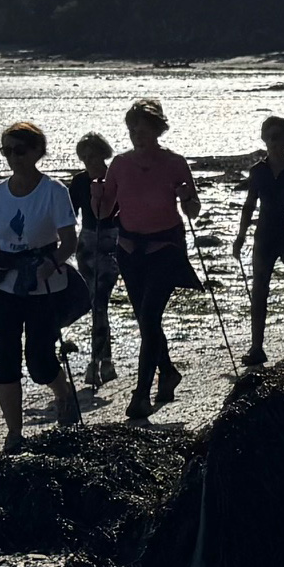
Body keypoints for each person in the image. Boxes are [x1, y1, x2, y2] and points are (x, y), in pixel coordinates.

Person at [0, 121, 82, 442]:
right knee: (4, 358)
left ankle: (63, 394)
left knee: (39, 362)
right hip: (1, 285)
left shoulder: (55, 192)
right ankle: (14, 432)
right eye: (6, 150)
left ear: (38, 151)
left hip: (43, 285)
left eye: (19, 150)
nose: (13, 157)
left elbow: (69, 241)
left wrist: (50, 264)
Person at [94, 97, 202, 422]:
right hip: (128, 250)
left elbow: (193, 211)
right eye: (131, 130)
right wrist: (96, 195)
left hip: (165, 249)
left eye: (141, 129)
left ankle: (141, 396)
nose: (135, 135)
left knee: (150, 316)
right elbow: (103, 213)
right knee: (146, 320)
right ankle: (167, 372)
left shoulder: (175, 163)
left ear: (156, 129)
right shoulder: (119, 164)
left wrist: (187, 196)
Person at [233, 115, 284, 364]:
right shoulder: (257, 171)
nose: (273, 142)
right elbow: (249, 206)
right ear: (264, 139)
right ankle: (256, 347)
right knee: (259, 292)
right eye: (269, 137)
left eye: (278, 137)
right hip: (265, 235)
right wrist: (240, 237)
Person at [69, 133, 120, 387]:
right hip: (87, 243)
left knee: (100, 302)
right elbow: (68, 216)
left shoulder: (116, 179)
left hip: (111, 243)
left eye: (92, 155)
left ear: (103, 153)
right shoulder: (78, 182)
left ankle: (96, 362)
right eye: (84, 157)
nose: (88, 161)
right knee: (96, 303)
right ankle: (104, 361)